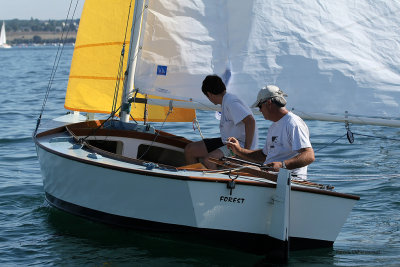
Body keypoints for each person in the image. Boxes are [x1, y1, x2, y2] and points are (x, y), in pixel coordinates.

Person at [227, 85, 315, 178]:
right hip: (271, 176)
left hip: (288, 180)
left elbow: (309, 155)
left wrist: (282, 165)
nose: (260, 110)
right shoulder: (274, 126)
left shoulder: (293, 123)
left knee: (239, 170)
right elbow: (263, 155)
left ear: (268, 103)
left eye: (260, 106)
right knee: (233, 167)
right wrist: (239, 150)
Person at [184, 75, 258, 169]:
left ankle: (214, 182)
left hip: (239, 144)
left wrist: (245, 151)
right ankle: (193, 178)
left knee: (208, 159)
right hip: (227, 141)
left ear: (210, 94)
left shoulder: (231, 102)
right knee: (190, 150)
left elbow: (250, 121)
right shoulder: (226, 100)